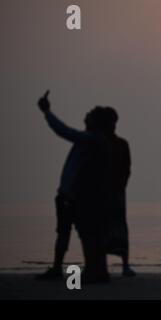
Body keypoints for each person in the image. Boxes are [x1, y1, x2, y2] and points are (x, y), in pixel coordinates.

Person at [35, 91, 110, 283]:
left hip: (74, 196)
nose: (86, 116)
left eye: (90, 114)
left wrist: (47, 112)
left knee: (75, 233)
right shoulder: (91, 139)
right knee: (76, 233)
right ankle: (81, 269)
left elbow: (64, 131)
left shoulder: (92, 139)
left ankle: (71, 269)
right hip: (73, 194)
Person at [102, 107, 136, 277]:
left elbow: (127, 168)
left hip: (117, 192)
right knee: (101, 228)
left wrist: (120, 185)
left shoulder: (122, 144)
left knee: (120, 227)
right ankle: (101, 266)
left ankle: (125, 264)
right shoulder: (99, 143)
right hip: (102, 193)